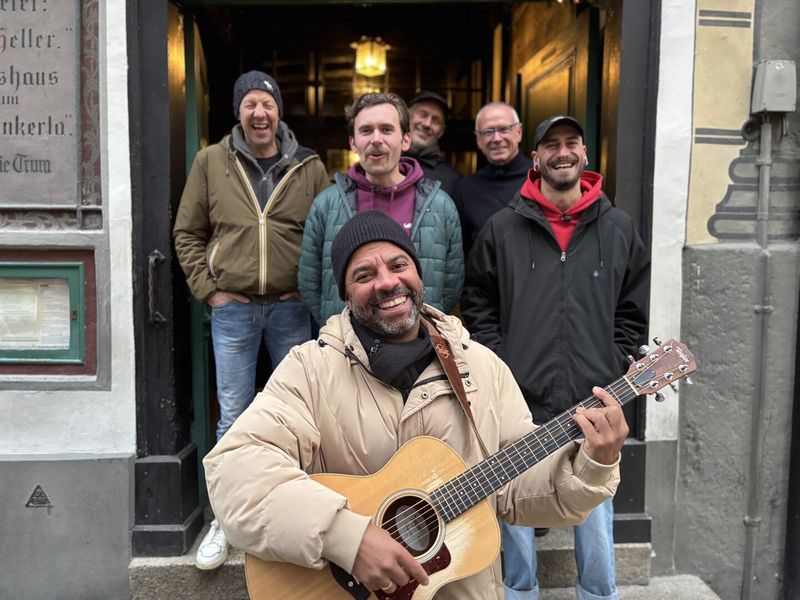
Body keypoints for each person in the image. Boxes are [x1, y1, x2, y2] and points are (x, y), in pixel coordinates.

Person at [204, 210, 630, 599]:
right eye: (364, 274)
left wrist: (593, 462)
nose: (387, 282)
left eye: (398, 265)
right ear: (345, 294)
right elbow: (236, 471)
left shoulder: (482, 368)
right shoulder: (310, 369)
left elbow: (520, 493)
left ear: (418, 274)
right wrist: (344, 537)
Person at [461, 116, 650, 600]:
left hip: (595, 396)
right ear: (537, 157)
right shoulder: (503, 228)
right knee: (517, 519)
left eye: (571, 144)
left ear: (585, 154)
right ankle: (521, 595)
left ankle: (598, 594)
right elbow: (479, 300)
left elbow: (633, 308)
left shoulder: (619, 228)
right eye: (551, 146)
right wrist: (499, 361)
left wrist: (613, 361)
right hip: (519, 400)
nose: (562, 153)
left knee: (595, 510)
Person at [173, 70, 330, 570]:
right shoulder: (210, 162)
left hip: (291, 306)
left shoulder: (309, 167)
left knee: (299, 414)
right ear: (237, 112)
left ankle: (297, 512)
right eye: (250, 105)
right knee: (234, 415)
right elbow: (187, 233)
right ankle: (227, 518)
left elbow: (327, 238)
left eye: (267, 104)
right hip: (233, 309)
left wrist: (314, 295)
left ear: (279, 111)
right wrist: (209, 291)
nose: (259, 113)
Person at [299, 92, 463, 326]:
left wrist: (420, 326)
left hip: (419, 342)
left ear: (405, 140)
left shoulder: (440, 205)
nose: (376, 139)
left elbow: (451, 283)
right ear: (353, 142)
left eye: (386, 129)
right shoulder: (326, 204)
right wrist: (336, 325)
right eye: (366, 130)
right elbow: (310, 279)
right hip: (347, 345)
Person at [453, 101, 530, 258]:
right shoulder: (465, 189)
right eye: (488, 132)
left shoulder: (541, 178)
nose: (496, 138)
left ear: (519, 132)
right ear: (478, 140)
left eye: (504, 129)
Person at [403, 90, 462, 196]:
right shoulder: (383, 163)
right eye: (422, 115)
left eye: (436, 120)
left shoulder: (452, 179)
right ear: (406, 116)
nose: (427, 124)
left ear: (441, 131)